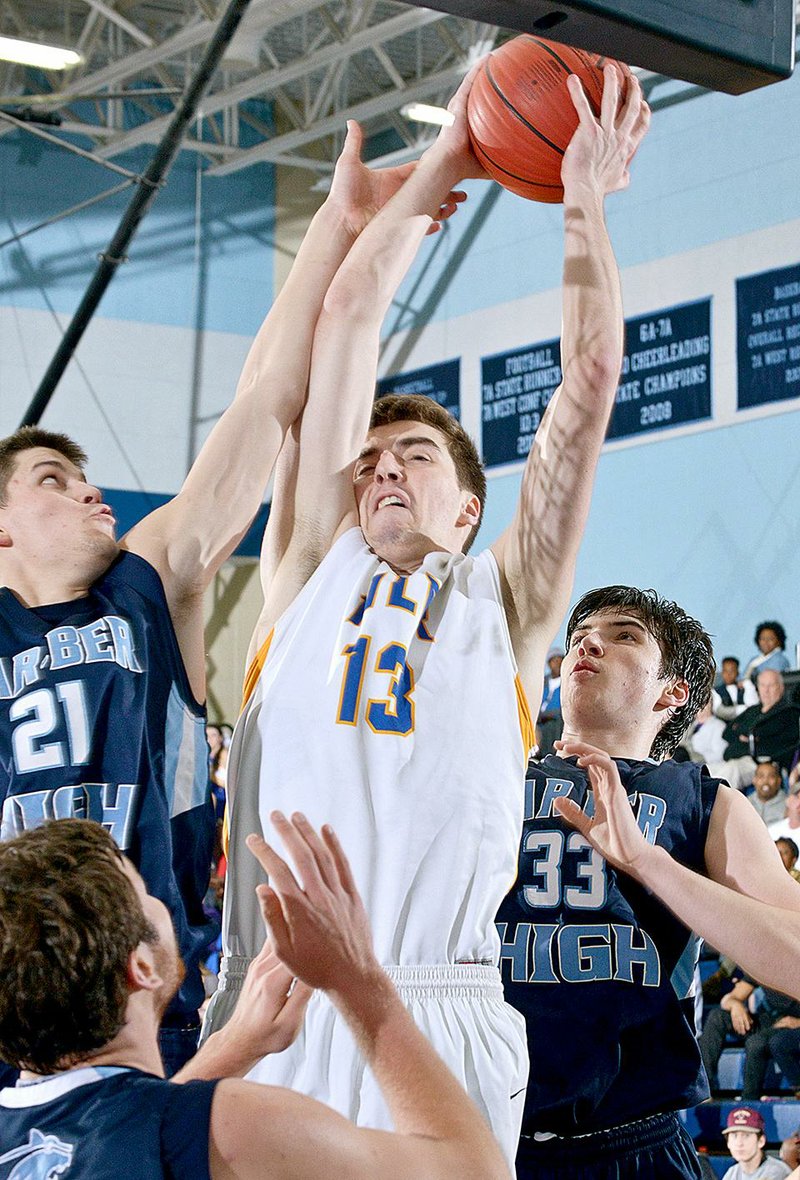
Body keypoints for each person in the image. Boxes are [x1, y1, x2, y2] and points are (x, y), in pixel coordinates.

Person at [204, 62, 650, 1161]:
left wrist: (579, 191)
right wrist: (454, 148)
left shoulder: (507, 602)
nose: (384, 471)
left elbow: (588, 376)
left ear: (467, 508)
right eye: (371, 463)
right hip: (279, 1000)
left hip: (440, 1009)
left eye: (415, 456)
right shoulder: (309, 570)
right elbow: (349, 316)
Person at [0, 107, 462, 1073]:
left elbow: (266, 397)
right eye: (51, 478)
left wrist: (337, 228)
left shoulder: (146, 583)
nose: (88, 488)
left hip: (145, 997)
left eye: (83, 473)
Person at [0, 817, 510, 1180]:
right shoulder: (231, 1124)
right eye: (144, 894)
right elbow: (474, 1172)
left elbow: (112, 1140)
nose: (159, 900)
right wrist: (357, 983)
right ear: (141, 968)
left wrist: (235, 1047)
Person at [496, 584, 800, 1179]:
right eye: (580, 634)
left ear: (673, 692)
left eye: (624, 634)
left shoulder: (706, 803)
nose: (588, 642)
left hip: (635, 1146)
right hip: (485, 1136)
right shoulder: (494, 777)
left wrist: (647, 861)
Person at [699, 973, 800, 1099]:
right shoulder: (766, 965)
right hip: (772, 1020)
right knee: (717, 1017)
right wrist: (736, 1005)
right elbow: (729, 999)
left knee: (756, 1042)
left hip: (793, 1027)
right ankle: (704, 1090)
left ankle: (748, 1102)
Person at [720, 1107, 790, 1180]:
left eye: (746, 1135)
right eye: (735, 1136)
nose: (739, 1143)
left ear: (761, 1141)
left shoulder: (777, 1172)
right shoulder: (732, 1173)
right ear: (728, 1143)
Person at [748, 761, 789, 826]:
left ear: (778, 781)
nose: (766, 781)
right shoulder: (745, 802)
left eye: (771, 777)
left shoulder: (788, 805)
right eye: (761, 776)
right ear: (754, 780)